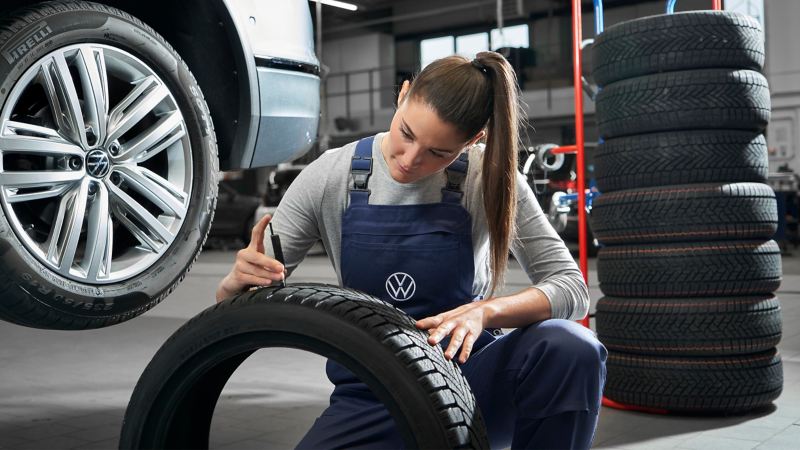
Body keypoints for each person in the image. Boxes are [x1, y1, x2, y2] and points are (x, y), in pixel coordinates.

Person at [216, 51, 607, 449]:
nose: (409, 159)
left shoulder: (486, 175)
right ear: (403, 95)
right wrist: (236, 284)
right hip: (370, 394)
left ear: (474, 140)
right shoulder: (328, 175)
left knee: (570, 348)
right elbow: (241, 307)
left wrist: (483, 312)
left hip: (470, 388)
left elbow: (572, 289)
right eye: (406, 133)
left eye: (438, 153)